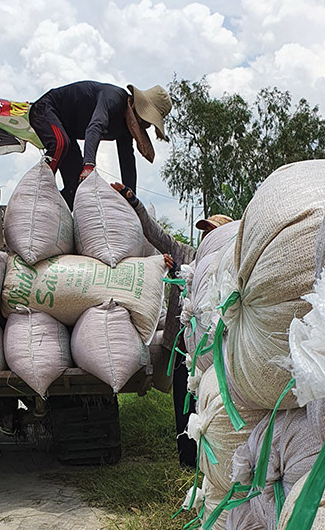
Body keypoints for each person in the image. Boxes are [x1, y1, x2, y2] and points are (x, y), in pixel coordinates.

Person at [111, 181, 233, 468]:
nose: (206, 237)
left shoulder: (229, 265)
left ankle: (214, 460)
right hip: (181, 347)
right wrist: (132, 200)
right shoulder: (184, 255)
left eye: (212, 232)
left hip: (215, 350)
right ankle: (187, 460)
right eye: (204, 232)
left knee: (213, 403)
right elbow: (154, 233)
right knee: (184, 403)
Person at [29, 80, 172, 209]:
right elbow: (95, 127)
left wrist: (130, 196)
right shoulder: (114, 98)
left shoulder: (126, 128)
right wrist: (89, 166)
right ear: (139, 107)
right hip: (46, 110)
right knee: (60, 144)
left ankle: (53, 210)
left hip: (67, 131)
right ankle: (39, 192)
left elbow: (127, 160)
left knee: (77, 189)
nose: (146, 125)